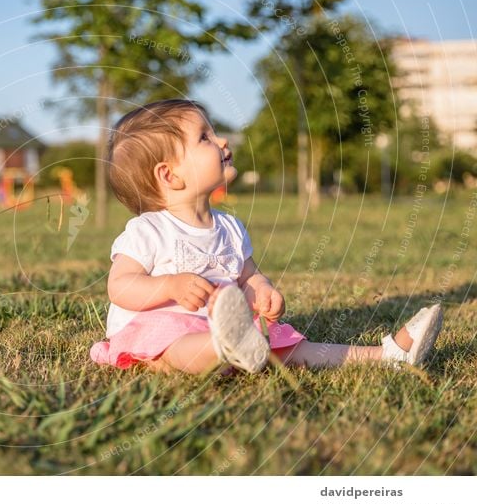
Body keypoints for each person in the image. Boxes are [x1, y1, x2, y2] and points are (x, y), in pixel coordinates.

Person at [89, 99, 444, 375]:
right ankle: (225, 348)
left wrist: (261, 291)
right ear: (170, 176)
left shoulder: (229, 228)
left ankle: (389, 354)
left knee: (289, 345)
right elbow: (119, 286)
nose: (222, 139)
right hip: (159, 332)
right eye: (204, 137)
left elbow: (247, 276)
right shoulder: (149, 230)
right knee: (176, 347)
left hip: (225, 326)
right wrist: (168, 286)